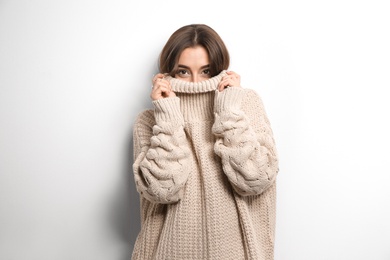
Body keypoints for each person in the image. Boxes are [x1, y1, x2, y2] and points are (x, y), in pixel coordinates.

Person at [131, 24, 279, 260]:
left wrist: (228, 112)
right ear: (168, 73)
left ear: (220, 70)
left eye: (206, 71)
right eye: (183, 71)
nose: (195, 81)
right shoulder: (150, 120)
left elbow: (256, 179)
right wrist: (168, 117)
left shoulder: (244, 105)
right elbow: (161, 191)